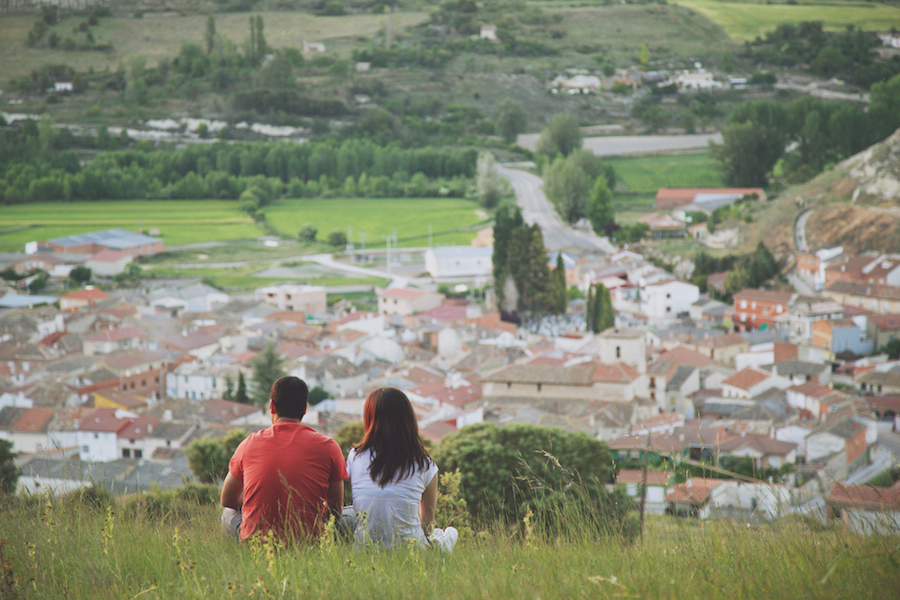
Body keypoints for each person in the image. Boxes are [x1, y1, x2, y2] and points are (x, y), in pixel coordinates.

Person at [221, 376, 347, 542]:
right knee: (351, 515)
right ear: (305, 409)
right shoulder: (329, 446)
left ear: (272, 406)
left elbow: (228, 499)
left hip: (257, 545)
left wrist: (256, 499)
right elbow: (335, 510)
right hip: (309, 543)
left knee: (228, 513)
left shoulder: (249, 443)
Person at [346, 387, 458, 552]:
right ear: (408, 419)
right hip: (412, 552)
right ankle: (441, 547)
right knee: (450, 533)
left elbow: (360, 503)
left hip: (363, 549)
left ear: (369, 418)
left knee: (346, 514)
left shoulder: (355, 457)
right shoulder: (425, 465)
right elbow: (427, 527)